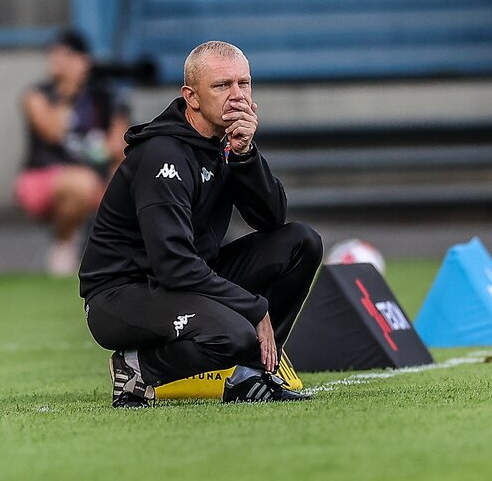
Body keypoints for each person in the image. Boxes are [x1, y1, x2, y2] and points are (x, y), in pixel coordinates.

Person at [79, 41, 322, 408]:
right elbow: (173, 265)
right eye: (222, 85)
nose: (237, 96)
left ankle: (251, 376)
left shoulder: (225, 144)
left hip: (184, 277)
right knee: (234, 334)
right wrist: (254, 307)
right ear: (191, 97)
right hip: (123, 294)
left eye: (244, 83)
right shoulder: (164, 154)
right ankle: (137, 367)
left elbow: (271, 219)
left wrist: (245, 154)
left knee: (301, 242)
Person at [16, 30, 129, 276]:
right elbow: (52, 131)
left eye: (65, 55)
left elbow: (119, 145)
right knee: (82, 183)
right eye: (53, 55)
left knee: (129, 184)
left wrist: (105, 154)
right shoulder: (38, 95)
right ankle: (64, 244)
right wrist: (68, 92)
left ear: (83, 60)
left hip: (95, 177)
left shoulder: (103, 97)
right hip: (43, 178)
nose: (56, 61)